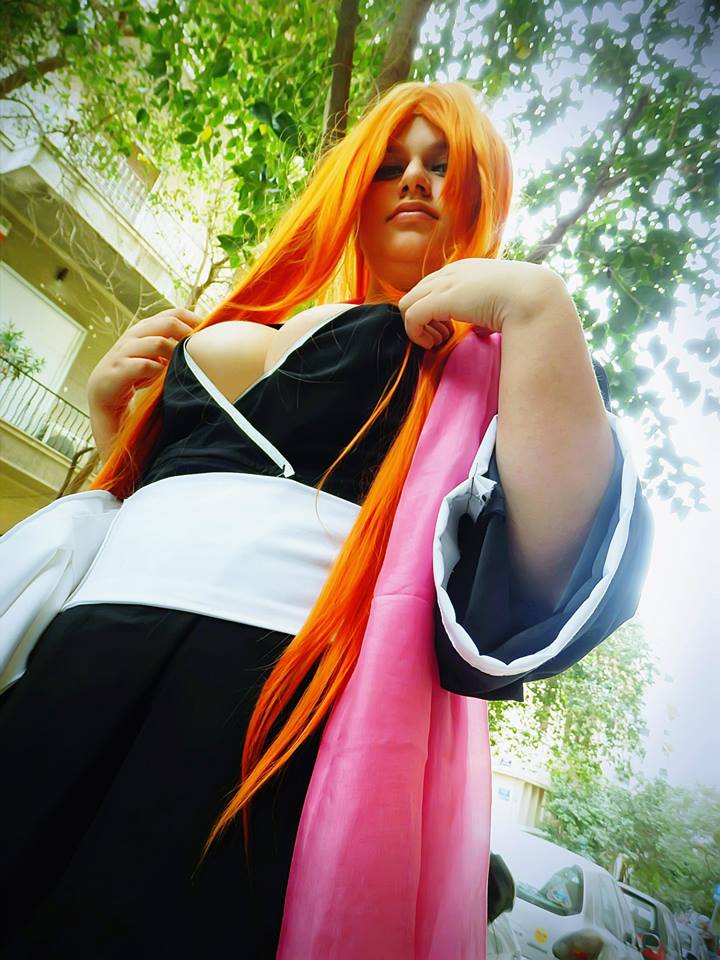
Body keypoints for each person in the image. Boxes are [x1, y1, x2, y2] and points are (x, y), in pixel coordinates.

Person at [0, 80, 652, 958]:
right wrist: (113, 428)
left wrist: (538, 305)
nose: (412, 178)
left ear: (481, 192)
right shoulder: (257, 318)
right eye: (388, 164)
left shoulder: (499, 361)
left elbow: (549, 574)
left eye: (441, 164)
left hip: (263, 724)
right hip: (71, 674)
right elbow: (161, 503)